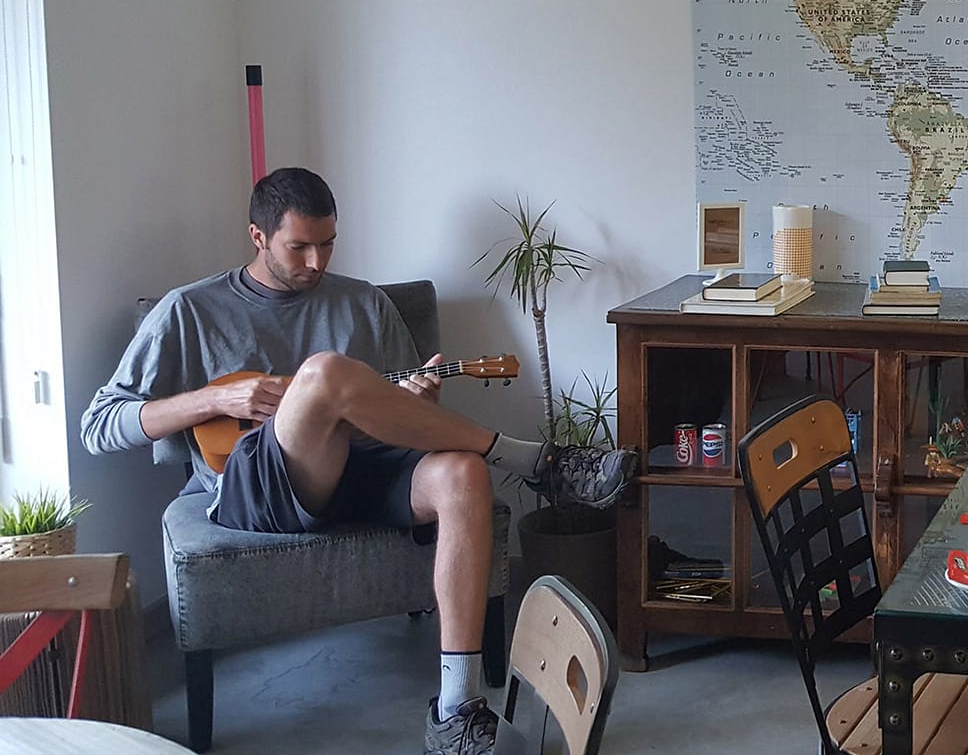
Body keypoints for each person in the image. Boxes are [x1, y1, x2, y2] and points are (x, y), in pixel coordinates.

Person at [80, 168, 638, 755]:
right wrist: (216, 399)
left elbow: (408, 417)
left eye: (328, 244)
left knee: (463, 474)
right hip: (258, 485)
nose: (317, 262)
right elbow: (99, 426)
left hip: (366, 466)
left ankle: (455, 709)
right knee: (324, 372)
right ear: (258, 237)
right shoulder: (189, 311)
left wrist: (420, 399)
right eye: (299, 246)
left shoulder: (364, 302)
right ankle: (534, 459)